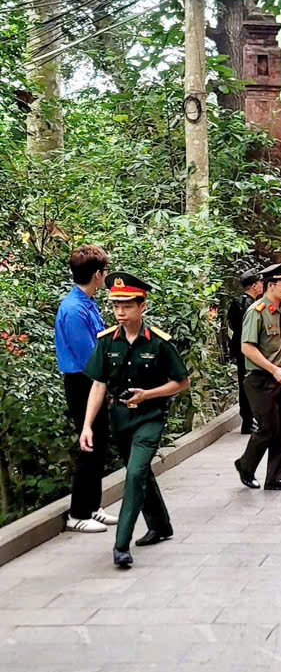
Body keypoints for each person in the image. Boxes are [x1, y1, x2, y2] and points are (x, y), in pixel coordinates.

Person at [80, 271, 190, 569]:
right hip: (120, 419)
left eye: (127, 306)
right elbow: (99, 385)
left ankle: (121, 545)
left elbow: (181, 382)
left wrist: (148, 394)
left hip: (150, 416)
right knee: (139, 472)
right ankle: (161, 525)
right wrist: (88, 425)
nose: (120, 312)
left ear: (143, 306)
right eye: (116, 306)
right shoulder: (106, 342)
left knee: (134, 474)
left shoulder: (159, 343)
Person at [56, 244, 115, 533]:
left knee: (100, 444)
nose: (106, 276)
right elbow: (87, 357)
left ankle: (93, 506)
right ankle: (78, 513)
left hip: (95, 381)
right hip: (83, 382)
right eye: (105, 271)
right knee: (89, 444)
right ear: (97, 275)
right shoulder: (74, 309)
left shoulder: (88, 303)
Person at [234, 261, 281, 492]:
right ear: (270, 285)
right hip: (260, 378)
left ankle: (276, 477)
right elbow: (247, 348)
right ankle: (245, 465)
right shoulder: (256, 312)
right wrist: (273, 369)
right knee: (267, 428)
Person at [227, 267, 266, 432]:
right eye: (260, 283)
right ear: (254, 286)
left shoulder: (246, 303)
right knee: (247, 385)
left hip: (246, 348)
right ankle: (248, 421)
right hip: (245, 350)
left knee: (251, 384)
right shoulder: (245, 304)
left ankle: (251, 419)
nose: (262, 286)